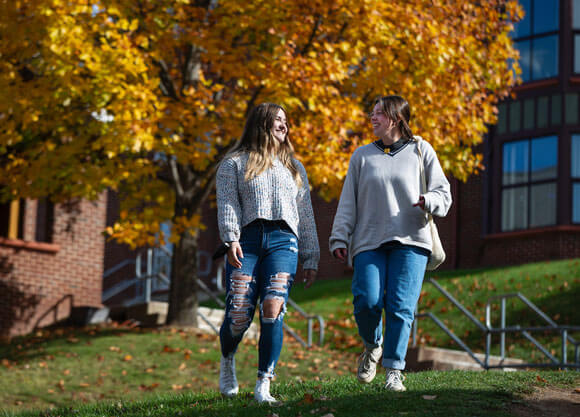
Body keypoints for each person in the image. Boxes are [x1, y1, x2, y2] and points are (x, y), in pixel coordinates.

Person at [329, 95, 451, 391]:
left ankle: (394, 370)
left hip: (412, 240)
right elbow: (348, 202)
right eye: (372, 113)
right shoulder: (361, 156)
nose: (373, 118)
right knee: (367, 301)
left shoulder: (421, 150)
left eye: (379, 114)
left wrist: (427, 200)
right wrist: (339, 236)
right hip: (368, 241)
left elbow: (444, 194)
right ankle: (373, 345)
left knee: (401, 307)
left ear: (396, 118)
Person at [216, 102, 319, 404]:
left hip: (283, 241)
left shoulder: (294, 168)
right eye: (277, 120)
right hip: (245, 241)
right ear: (261, 124)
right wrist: (230, 237)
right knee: (238, 313)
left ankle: (264, 384)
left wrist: (311, 256)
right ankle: (227, 357)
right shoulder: (233, 163)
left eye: (286, 121)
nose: (284, 126)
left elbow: (306, 214)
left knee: (273, 307)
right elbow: (227, 203)